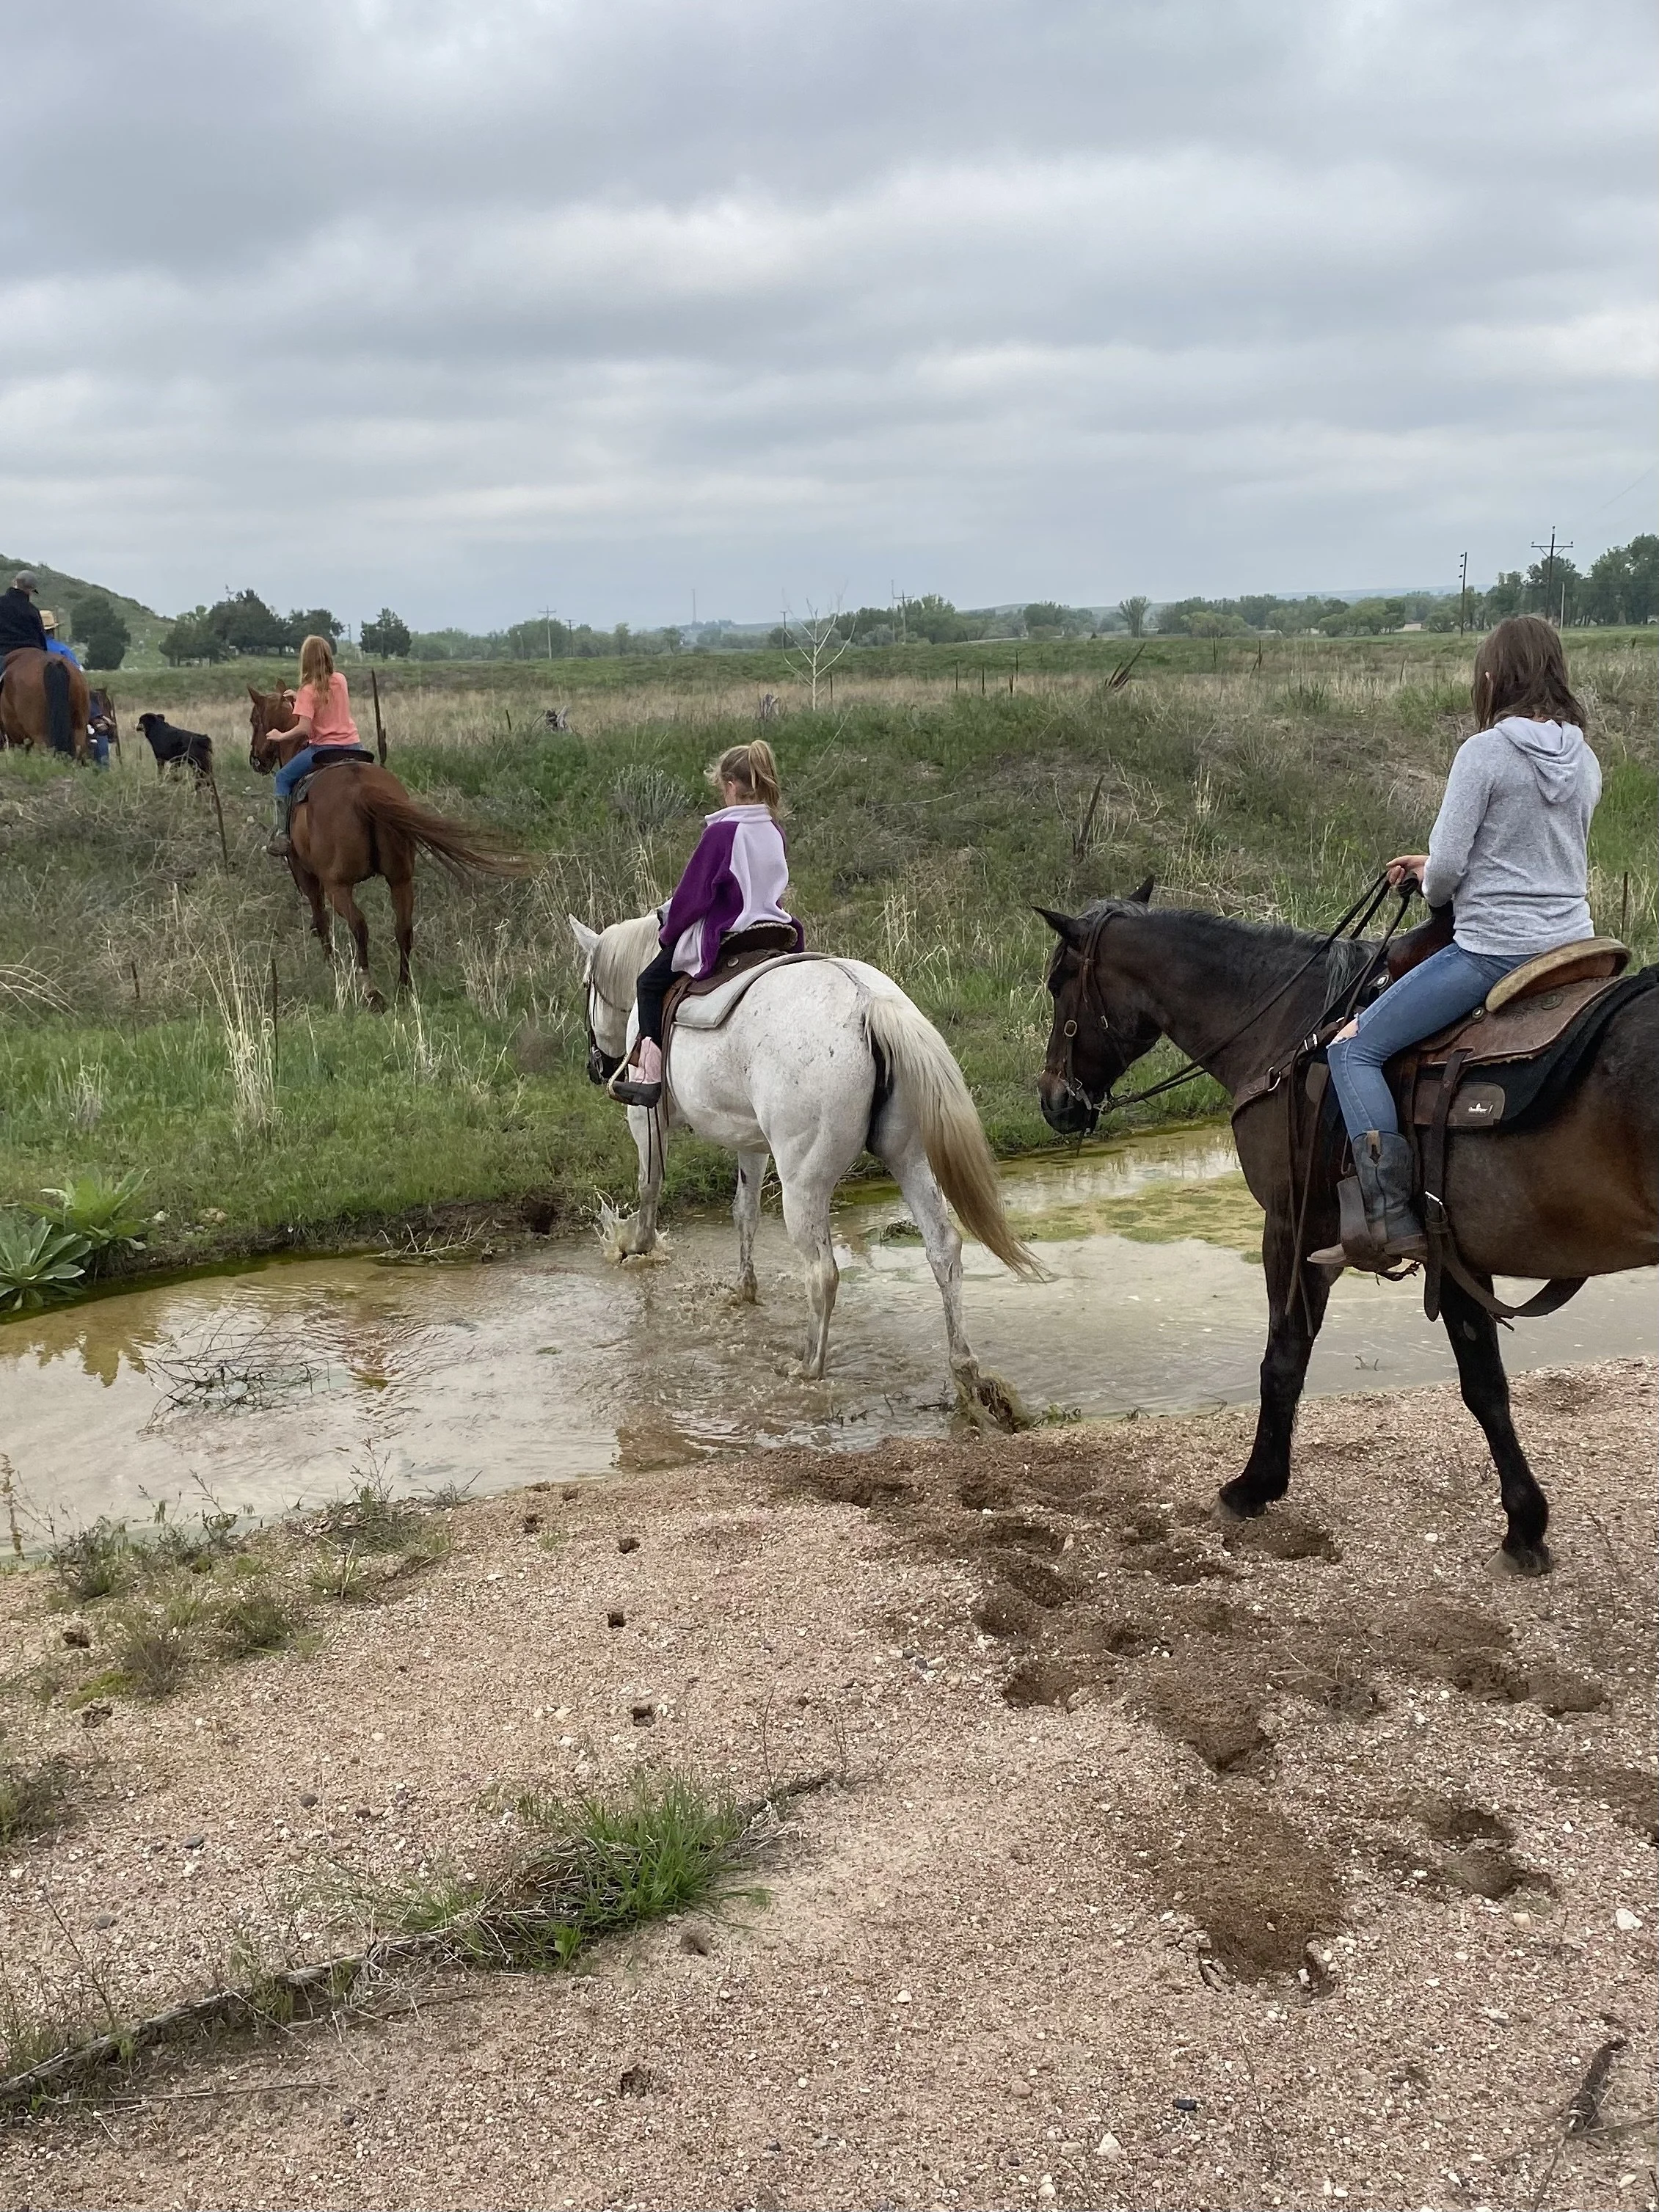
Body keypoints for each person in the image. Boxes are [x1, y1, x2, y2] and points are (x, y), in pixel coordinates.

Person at [1312, 615, 1602, 1268]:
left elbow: (1445, 875)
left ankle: (1388, 1216)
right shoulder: (1582, 756)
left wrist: (1432, 878)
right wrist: (1439, 863)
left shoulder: (1484, 753)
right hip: (1575, 946)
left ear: (1494, 678)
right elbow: (1532, 851)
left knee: (1353, 1050)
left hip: (1494, 950)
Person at [610, 740, 803, 1109]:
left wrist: (669, 933)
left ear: (730, 785)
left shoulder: (722, 832)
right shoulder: (773, 831)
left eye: (721, 789)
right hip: (774, 930)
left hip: (729, 932)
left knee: (648, 984)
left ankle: (649, 1077)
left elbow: (693, 898)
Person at [266, 634, 362, 856]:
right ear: (328, 656)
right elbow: (325, 695)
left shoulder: (308, 691)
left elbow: (304, 729)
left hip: (324, 750)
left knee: (283, 778)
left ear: (305, 660)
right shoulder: (341, 679)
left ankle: (282, 834)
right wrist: (300, 697)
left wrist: (281, 736)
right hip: (354, 746)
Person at [0, 571, 48, 662]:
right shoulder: (33, 610)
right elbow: (41, 636)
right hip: (33, 652)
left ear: (15, 582)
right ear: (31, 590)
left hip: (3, 652)